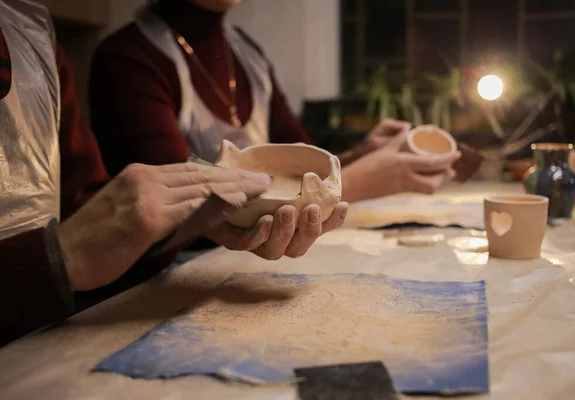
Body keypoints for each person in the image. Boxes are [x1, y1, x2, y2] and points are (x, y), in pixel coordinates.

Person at [0, 0, 345, 346]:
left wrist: (196, 221)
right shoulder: (127, 57)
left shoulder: (31, 32)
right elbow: (94, 236)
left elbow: (92, 216)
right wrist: (60, 256)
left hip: (60, 326)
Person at [89, 0, 462, 209]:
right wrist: (362, 181)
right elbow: (176, 212)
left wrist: (360, 154)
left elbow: (296, 160)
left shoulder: (247, 55)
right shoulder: (128, 60)